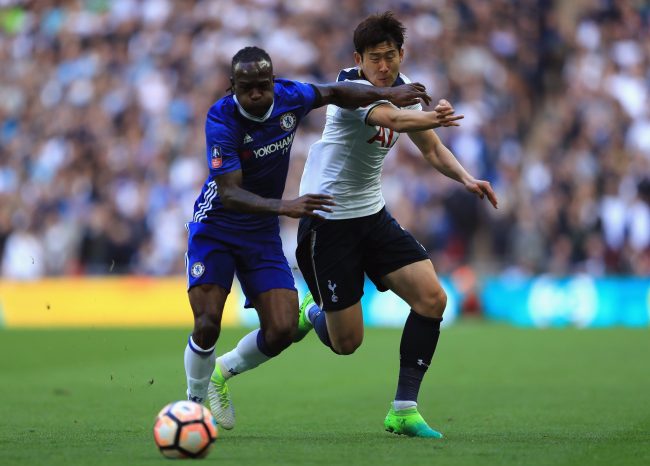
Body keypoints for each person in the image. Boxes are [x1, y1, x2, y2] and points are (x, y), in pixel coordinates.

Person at [184, 45, 437, 427]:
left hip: (261, 233)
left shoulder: (290, 96)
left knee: (282, 329)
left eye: (263, 85)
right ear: (232, 86)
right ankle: (193, 406)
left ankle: (224, 372)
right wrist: (286, 206)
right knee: (207, 322)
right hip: (217, 227)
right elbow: (230, 193)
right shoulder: (221, 118)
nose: (256, 94)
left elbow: (336, 92)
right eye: (247, 88)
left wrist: (388, 93)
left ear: (273, 81)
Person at [292, 12, 499, 438]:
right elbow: (396, 121)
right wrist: (433, 116)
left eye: (390, 56)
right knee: (346, 343)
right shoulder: (349, 89)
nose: (383, 66)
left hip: (371, 214)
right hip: (328, 221)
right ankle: (313, 310)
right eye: (375, 58)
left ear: (402, 54)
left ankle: (404, 409)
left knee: (432, 298)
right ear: (359, 59)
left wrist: (466, 178)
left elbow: (432, 149)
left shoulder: (404, 87)